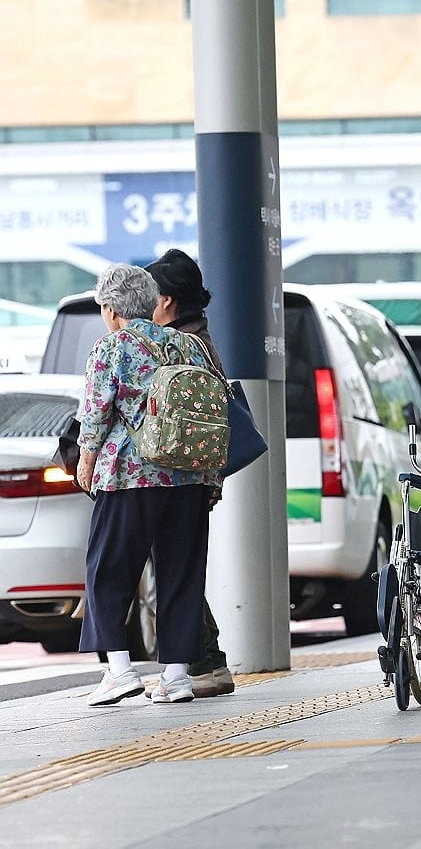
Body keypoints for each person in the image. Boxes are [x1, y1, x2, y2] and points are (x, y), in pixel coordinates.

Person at [77, 263, 219, 706]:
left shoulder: (113, 347)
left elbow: (98, 411)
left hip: (129, 477)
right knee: (182, 572)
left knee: (107, 571)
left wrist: (86, 459)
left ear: (112, 309)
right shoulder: (190, 344)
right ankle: (176, 677)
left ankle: (119, 670)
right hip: (191, 474)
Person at [145, 249, 235, 698]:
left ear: (165, 301)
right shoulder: (198, 338)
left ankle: (205, 662)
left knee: (177, 569)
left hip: (179, 475)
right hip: (195, 474)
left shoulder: (178, 343)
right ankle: (204, 661)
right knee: (177, 567)